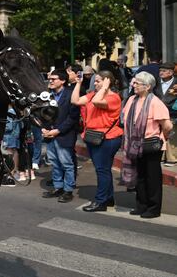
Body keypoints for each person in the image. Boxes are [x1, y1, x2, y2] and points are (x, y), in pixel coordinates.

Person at [121, 72, 173, 219]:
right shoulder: (131, 99)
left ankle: (154, 208)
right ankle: (141, 205)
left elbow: (167, 126)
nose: (134, 85)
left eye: (137, 83)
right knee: (140, 176)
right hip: (134, 144)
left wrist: (161, 136)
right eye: (134, 82)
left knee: (153, 178)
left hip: (151, 145)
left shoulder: (155, 102)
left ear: (148, 86)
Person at [72, 70, 123, 212]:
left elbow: (96, 102)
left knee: (102, 170)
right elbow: (75, 101)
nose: (95, 83)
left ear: (107, 81)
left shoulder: (114, 97)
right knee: (104, 169)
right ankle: (108, 198)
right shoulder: (93, 94)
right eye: (95, 80)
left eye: (98, 81)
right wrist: (78, 83)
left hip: (107, 138)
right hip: (94, 137)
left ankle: (101, 201)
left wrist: (106, 87)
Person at [41, 70, 80, 203]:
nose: (50, 81)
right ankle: (58, 187)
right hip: (49, 135)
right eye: (50, 78)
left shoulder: (70, 95)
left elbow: (73, 117)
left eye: (54, 79)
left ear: (63, 81)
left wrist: (58, 131)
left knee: (66, 164)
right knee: (55, 163)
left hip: (64, 135)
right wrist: (43, 128)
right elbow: (42, 113)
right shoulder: (47, 95)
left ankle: (68, 190)